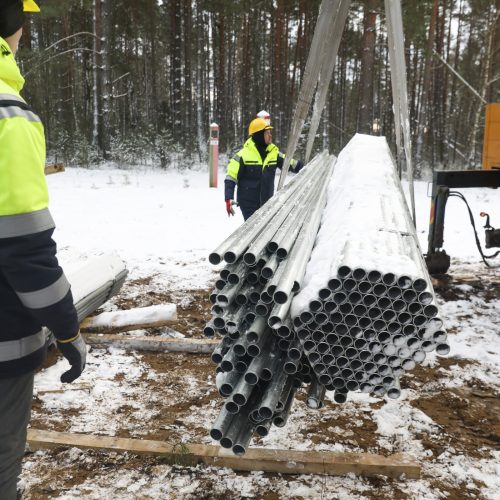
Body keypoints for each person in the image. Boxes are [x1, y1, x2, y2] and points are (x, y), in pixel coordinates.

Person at [0, 1, 86, 498]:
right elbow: (24, 250)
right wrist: (67, 327)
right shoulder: (8, 115)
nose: (25, 32)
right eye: (20, 21)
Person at [225, 117, 304, 220]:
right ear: (259, 135)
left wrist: (305, 166)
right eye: (267, 133)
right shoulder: (242, 155)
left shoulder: (273, 153)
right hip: (248, 204)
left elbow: (290, 163)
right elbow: (231, 177)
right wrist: (228, 198)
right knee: (254, 231)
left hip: (267, 203)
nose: (270, 135)